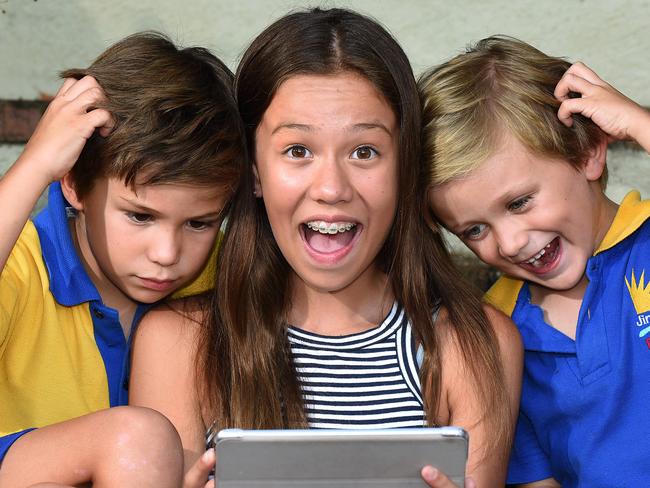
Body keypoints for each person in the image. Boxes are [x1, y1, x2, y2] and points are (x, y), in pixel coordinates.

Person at [130, 9, 522, 488]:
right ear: (254, 172)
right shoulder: (179, 341)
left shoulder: (472, 343)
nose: (332, 188)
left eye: (364, 151)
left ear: (404, 168)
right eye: (298, 151)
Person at [0, 32, 245, 487]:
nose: (167, 255)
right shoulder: (20, 263)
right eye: (139, 216)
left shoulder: (223, 269)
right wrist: (35, 166)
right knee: (135, 439)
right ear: (72, 182)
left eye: (199, 223)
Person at [420, 35, 650, 487]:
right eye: (474, 230)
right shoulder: (495, 333)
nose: (508, 242)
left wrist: (642, 125)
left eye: (520, 202)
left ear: (587, 151)